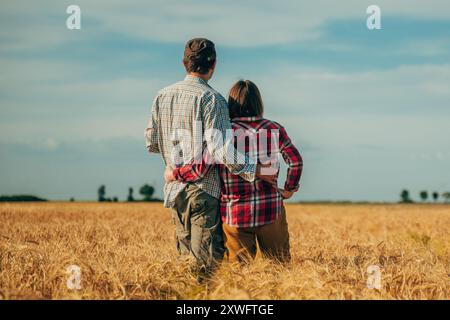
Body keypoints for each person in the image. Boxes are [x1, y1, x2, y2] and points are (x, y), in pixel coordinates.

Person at [145, 39, 276, 276]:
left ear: (184, 63)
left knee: (185, 263)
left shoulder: (162, 96)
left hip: (174, 190)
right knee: (206, 266)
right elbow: (221, 150)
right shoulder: (212, 99)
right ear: (213, 65)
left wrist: (174, 166)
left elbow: (152, 142)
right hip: (204, 190)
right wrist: (255, 169)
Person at [166, 80, 303, 263]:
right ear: (258, 102)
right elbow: (296, 161)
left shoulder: (224, 133)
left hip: (236, 214)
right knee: (280, 269)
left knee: (240, 276)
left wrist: (174, 175)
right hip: (271, 209)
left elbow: (201, 168)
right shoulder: (274, 128)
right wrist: (288, 189)